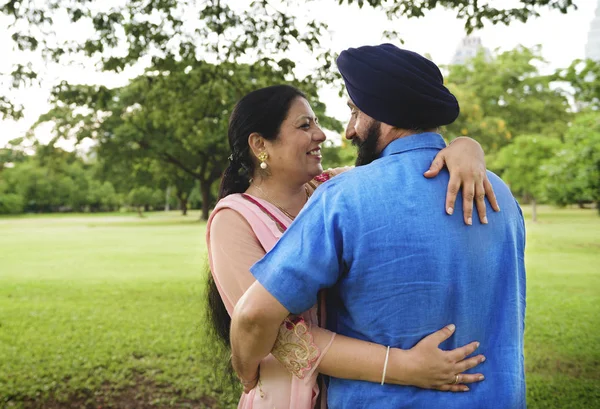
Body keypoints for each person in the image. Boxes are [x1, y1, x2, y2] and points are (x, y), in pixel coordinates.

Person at [230, 45, 526, 409]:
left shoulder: (344, 198)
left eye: (355, 112)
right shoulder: (500, 195)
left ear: (385, 115)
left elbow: (253, 315)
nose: (350, 131)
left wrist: (246, 372)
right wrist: (467, 145)